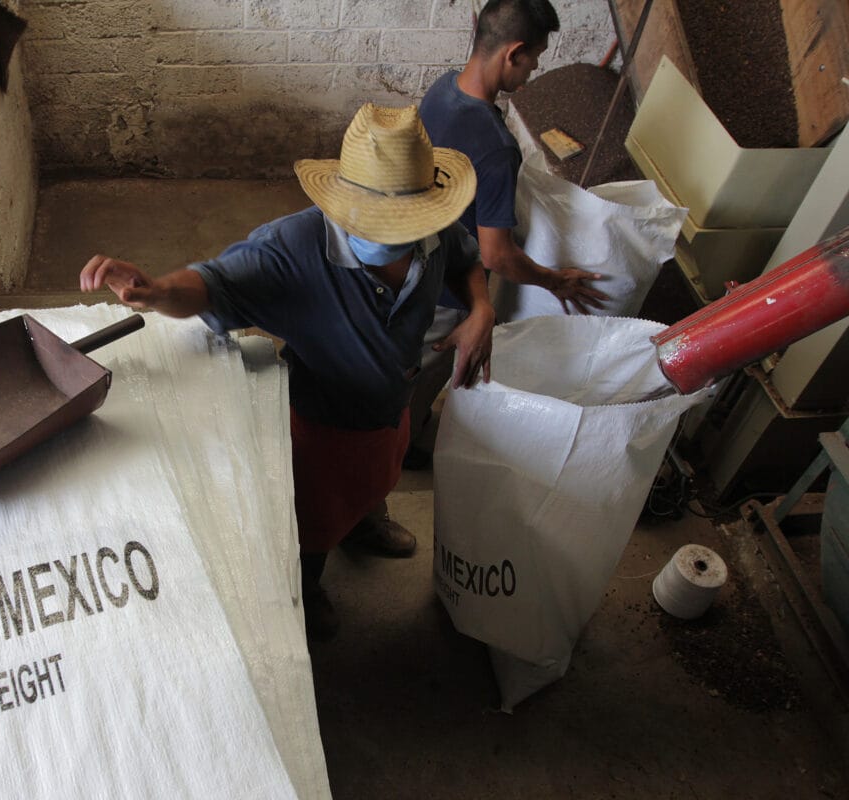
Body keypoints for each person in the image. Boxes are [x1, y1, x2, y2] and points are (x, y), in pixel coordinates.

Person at [80, 104, 494, 640]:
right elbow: (213, 284)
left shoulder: (432, 226)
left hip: (392, 407)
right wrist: (157, 291)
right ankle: (307, 584)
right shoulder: (292, 250)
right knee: (309, 523)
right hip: (320, 428)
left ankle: (365, 522)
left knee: (376, 479)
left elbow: (465, 259)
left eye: (407, 221)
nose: (399, 232)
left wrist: (481, 310)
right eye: (382, 220)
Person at [403, 0, 610, 466]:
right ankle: (400, 446)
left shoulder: (441, 91)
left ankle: (408, 425)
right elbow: (496, 254)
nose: (533, 71)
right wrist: (555, 281)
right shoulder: (497, 149)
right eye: (534, 59)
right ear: (513, 53)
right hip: (447, 289)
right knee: (422, 372)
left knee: (407, 364)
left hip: (412, 255)